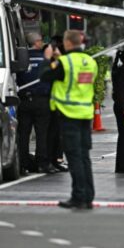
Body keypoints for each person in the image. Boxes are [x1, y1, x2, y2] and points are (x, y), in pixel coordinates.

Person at [40, 30, 98, 210]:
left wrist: (48, 59)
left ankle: (78, 196)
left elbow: (44, 75)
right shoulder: (90, 61)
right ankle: (88, 196)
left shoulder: (65, 63)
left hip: (69, 114)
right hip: (85, 115)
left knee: (74, 158)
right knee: (84, 157)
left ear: (67, 43)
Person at [16, 32, 57, 174]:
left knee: (23, 134)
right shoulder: (45, 60)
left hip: (24, 100)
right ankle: (42, 163)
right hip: (42, 100)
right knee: (42, 134)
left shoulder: (21, 59)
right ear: (38, 42)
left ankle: (22, 163)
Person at [47, 35, 67, 172]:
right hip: (53, 105)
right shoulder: (53, 64)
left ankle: (56, 159)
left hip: (58, 104)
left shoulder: (58, 63)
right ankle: (52, 160)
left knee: (57, 134)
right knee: (53, 134)